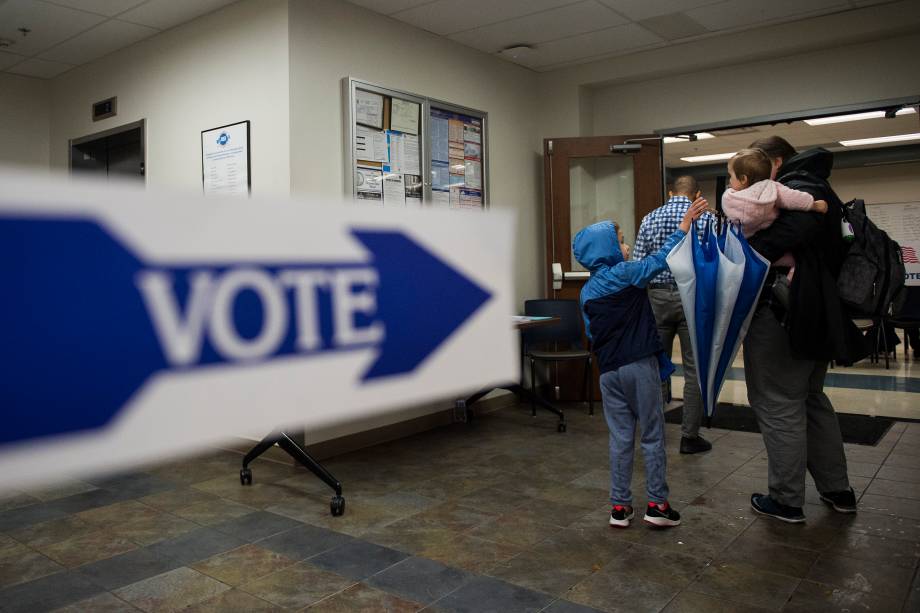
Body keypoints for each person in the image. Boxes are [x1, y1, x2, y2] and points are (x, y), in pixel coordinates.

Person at [743, 135, 866, 523]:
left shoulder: (796, 190)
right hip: (815, 312)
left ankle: (786, 499)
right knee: (811, 400)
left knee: (779, 403)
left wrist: (743, 245)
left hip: (783, 313)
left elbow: (779, 239)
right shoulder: (819, 187)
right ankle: (837, 489)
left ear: (776, 161)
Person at [573, 197, 709, 529]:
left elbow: (592, 331)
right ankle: (657, 504)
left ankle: (620, 508)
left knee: (620, 437)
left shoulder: (587, 291)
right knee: (651, 435)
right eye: (620, 240)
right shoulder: (625, 273)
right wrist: (684, 226)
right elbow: (660, 261)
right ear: (606, 248)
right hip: (638, 366)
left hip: (608, 372)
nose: (627, 244)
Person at [634, 176, 713, 454]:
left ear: (670, 193)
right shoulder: (705, 220)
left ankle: (653, 434)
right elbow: (713, 261)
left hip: (656, 297)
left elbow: (638, 264)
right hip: (692, 297)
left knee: (655, 367)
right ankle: (689, 437)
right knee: (694, 370)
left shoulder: (649, 218)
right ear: (696, 194)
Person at [722, 148, 828, 281]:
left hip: (743, 242)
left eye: (731, 176)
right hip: (766, 236)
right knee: (796, 260)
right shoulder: (772, 188)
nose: (730, 180)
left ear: (743, 179)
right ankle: (788, 280)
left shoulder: (729, 197)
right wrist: (814, 205)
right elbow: (794, 199)